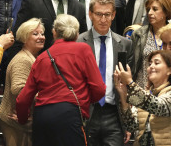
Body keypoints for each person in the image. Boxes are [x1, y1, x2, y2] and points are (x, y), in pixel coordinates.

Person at [16, 14, 106, 146]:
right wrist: (84, 100)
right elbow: (99, 88)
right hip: (69, 114)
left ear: (54, 32)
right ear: (77, 34)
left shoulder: (42, 58)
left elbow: (23, 98)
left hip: (42, 117)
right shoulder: (83, 50)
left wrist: (23, 119)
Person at [77, 0, 132, 146]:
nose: (103, 19)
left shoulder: (124, 44)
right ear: (90, 14)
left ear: (114, 15)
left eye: (107, 15)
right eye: (99, 14)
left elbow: (128, 84)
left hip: (114, 112)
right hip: (87, 112)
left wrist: (127, 121)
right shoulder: (79, 42)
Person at [114, 50, 171, 145]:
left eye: (156, 63)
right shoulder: (147, 95)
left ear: (170, 70)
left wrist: (130, 82)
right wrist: (123, 96)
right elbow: (131, 126)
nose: (151, 67)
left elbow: (159, 106)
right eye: (149, 64)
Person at [0, 18, 45, 146]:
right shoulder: (23, 59)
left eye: (42, 33)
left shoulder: (31, 57)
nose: (41, 37)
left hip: (21, 121)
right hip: (13, 121)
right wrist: (45, 97)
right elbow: (18, 88)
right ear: (24, 38)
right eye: (35, 34)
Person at [129, 0, 171, 89]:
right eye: (148, 9)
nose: (149, 13)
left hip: (165, 90)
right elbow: (131, 65)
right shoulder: (138, 34)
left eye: (155, 9)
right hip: (141, 87)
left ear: (166, 12)